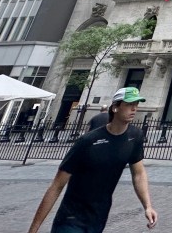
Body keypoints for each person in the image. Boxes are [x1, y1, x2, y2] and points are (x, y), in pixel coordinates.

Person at [28, 87, 158, 232]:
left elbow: (139, 173)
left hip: (98, 218)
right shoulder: (87, 141)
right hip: (71, 218)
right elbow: (57, 185)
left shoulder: (135, 137)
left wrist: (148, 206)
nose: (134, 109)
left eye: (136, 104)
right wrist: (34, 229)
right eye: (128, 104)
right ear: (115, 108)